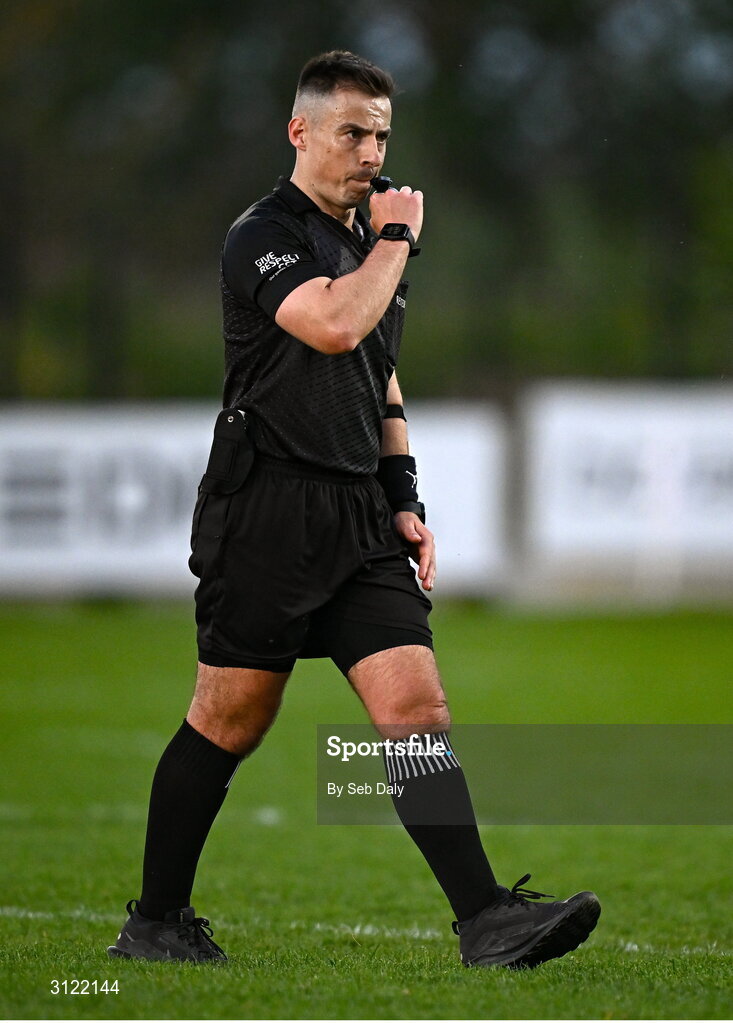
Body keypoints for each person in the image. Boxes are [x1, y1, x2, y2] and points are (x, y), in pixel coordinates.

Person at [108, 50, 600, 969]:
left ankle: (485, 919)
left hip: (357, 516)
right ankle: (156, 920)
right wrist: (398, 241)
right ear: (300, 133)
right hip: (265, 509)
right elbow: (333, 323)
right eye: (351, 132)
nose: (370, 151)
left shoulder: (366, 241)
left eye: (380, 134)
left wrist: (402, 499)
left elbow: (379, 376)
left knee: (415, 706)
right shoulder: (263, 234)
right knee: (229, 718)